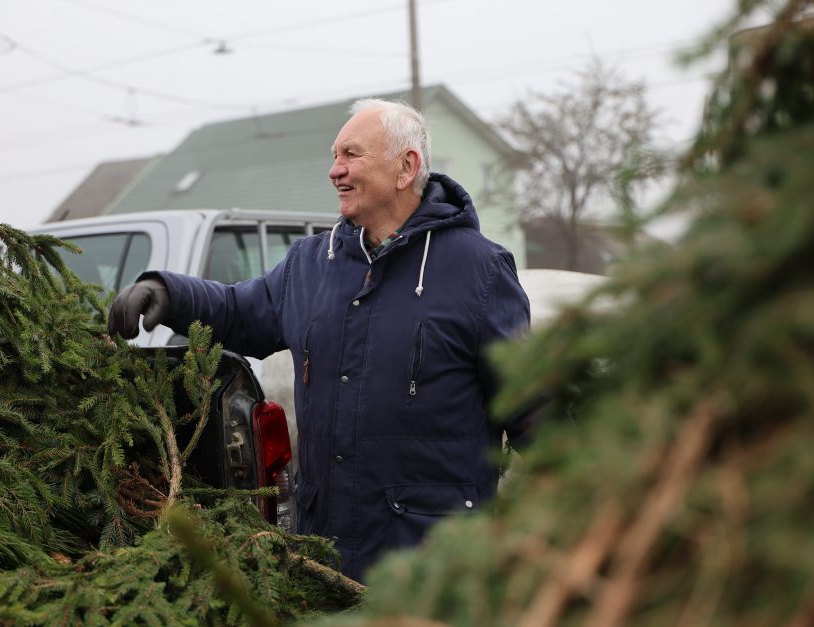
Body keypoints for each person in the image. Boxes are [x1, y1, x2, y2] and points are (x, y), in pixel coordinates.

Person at [108, 98, 531, 582]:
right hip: (325, 556)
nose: (335, 170)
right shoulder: (312, 264)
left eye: (351, 154)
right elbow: (237, 308)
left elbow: (531, 405)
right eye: (335, 156)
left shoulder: (479, 271)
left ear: (405, 167)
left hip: (436, 569)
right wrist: (167, 291)